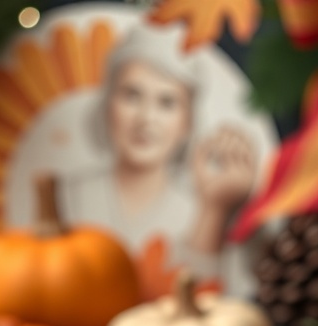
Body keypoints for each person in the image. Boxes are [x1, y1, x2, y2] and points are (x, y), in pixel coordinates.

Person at [61, 22, 258, 282]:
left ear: (188, 121)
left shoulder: (200, 209)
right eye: (131, 95)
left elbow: (205, 299)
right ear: (108, 104)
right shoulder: (69, 195)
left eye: (167, 103)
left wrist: (215, 211)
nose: (146, 119)